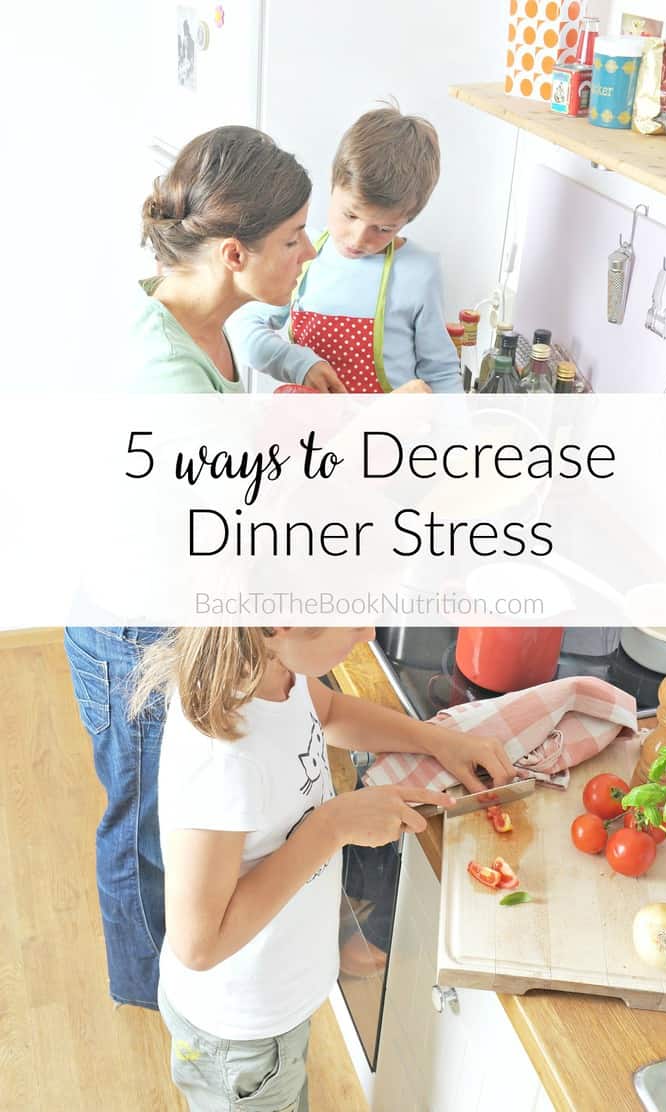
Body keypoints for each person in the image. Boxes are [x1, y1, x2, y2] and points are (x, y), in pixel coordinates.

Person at [64, 125, 316, 1009]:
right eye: (295, 238)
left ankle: (183, 968)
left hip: (165, 604)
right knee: (140, 828)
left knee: (172, 812)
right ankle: (155, 992)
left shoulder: (193, 309)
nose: (310, 251)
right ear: (238, 252)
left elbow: (249, 351)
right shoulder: (165, 381)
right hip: (134, 629)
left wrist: (300, 364)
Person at [129, 626, 516, 1111]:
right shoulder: (222, 754)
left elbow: (327, 711)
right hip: (241, 1040)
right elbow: (198, 945)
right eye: (352, 614)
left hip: (275, 1009)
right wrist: (330, 826)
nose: (368, 630)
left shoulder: (277, 671)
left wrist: (435, 740)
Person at [230, 105, 464, 394]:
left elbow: (440, 372)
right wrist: (298, 363)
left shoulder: (419, 273)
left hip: (384, 433)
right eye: (350, 215)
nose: (358, 238)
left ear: (407, 220)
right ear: (333, 183)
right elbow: (243, 327)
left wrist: (454, 432)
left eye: (383, 229)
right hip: (308, 430)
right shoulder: (300, 253)